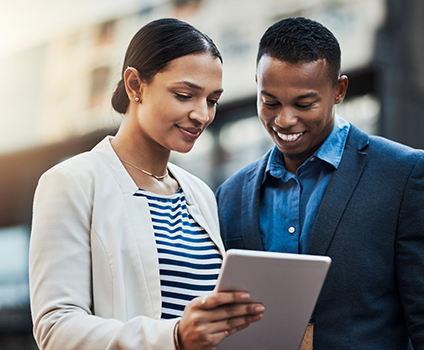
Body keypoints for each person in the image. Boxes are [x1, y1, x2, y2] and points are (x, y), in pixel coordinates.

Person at [215, 16, 424, 349]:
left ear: (339, 90)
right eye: (270, 102)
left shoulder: (404, 175)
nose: (285, 119)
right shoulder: (230, 195)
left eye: (304, 104)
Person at [29, 18, 264, 350]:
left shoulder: (200, 195)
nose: (202, 115)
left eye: (211, 100)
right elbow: (57, 328)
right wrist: (175, 337)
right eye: (185, 95)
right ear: (135, 85)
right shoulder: (72, 183)